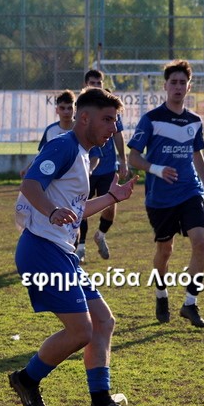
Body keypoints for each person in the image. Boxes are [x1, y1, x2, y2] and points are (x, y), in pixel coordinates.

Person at [9, 87, 144, 406]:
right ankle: (27, 379)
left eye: (115, 121)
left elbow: (76, 209)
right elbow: (30, 184)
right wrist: (52, 211)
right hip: (42, 249)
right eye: (107, 119)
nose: (113, 128)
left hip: (61, 252)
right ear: (84, 118)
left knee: (103, 322)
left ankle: (101, 403)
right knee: (81, 330)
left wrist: (112, 197)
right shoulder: (64, 146)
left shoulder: (83, 153)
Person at [128, 59, 204, 329]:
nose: (178, 87)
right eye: (174, 82)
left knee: (200, 242)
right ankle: (161, 294)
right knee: (165, 250)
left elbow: (197, 154)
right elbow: (133, 157)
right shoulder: (151, 119)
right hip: (160, 197)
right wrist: (157, 169)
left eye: (183, 82)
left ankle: (190, 303)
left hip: (190, 190)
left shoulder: (195, 121)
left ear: (189, 87)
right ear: (165, 86)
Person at [76, 69, 129, 263]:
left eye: (99, 83)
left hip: (107, 167)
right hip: (85, 167)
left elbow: (118, 134)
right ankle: (80, 247)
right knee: (80, 206)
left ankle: (100, 235)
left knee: (110, 204)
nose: (96, 86)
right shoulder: (81, 107)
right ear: (85, 84)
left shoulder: (110, 106)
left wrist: (123, 160)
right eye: (92, 83)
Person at [15, 90, 77, 231]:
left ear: (75, 109)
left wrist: (89, 170)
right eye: (62, 108)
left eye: (69, 108)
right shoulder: (51, 130)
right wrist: (28, 167)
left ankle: (79, 241)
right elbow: (43, 154)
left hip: (74, 179)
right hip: (54, 180)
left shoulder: (79, 130)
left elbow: (92, 155)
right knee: (56, 212)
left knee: (77, 213)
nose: (66, 112)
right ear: (57, 110)